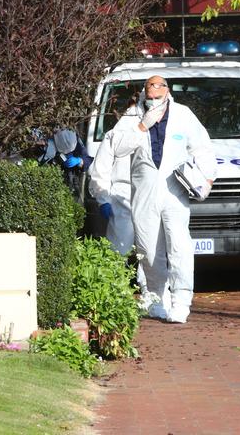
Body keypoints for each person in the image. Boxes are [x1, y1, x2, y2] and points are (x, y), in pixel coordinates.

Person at [108, 76, 216, 323]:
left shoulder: (183, 114)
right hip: (144, 190)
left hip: (174, 189)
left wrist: (207, 179)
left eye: (159, 90)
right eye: (149, 91)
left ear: (167, 91)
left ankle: (181, 300)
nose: (154, 95)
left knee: (179, 245)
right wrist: (142, 127)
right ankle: (156, 298)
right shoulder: (133, 116)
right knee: (147, 248)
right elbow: (117, 148)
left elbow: (202, 148)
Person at [88, 98, 154, 309]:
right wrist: (103, 198)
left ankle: (151, 294)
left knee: (149, 248)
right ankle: (115, 292)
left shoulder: (155, 137)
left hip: (148, 194)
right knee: (119, 250)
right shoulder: (116, 136)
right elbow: (101, 168)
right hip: (121, 195)